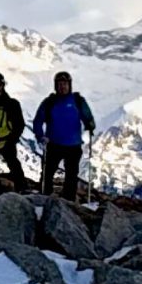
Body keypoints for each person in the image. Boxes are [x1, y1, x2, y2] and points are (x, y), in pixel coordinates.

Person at [34, 71, 96, 201]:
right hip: (53, 144)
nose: (62, 87)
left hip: (73, 145)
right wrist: (40, 136)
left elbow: (88, 117)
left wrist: (90, 125)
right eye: (60, 84)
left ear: (69, 85)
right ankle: (45, 198)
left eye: (65, 84)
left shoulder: (78, 101)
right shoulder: (50, 102)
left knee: (71, 175)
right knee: (47, 173)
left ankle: (68, 202)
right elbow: (38, 120)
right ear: (55, 86)